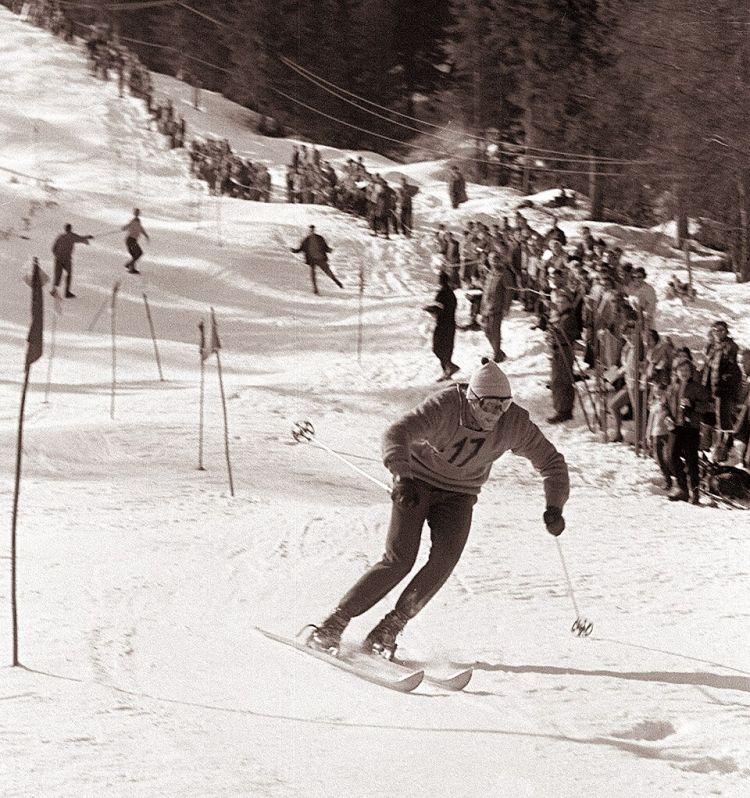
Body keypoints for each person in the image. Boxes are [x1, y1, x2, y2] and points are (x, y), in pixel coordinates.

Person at [307, 359, 570, 658]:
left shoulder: (514, 423)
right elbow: (396, 433)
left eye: (503, 405)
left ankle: (389, 629)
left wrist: (554, 506)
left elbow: (552, 462)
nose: (495, 414)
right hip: (416, 482)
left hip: (460, 493)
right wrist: (401, 475)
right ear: (472, 400)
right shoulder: (447, 405)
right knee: (400, 560)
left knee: (445, 559)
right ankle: (334, 623)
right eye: (488, 405)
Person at [664, 356, 711, 503]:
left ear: (691, 372)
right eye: (681, 370)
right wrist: (667, 417)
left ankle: (695, 492)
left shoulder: (697, 388)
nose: (684, 373)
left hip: (691, 428)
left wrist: (693, 404)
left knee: (691, 460)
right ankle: (683, 488)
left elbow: (707, 407)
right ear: (676, 371)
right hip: (675, 427)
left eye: (687, 370)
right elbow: (665, 405)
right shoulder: (672, 388)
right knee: (671, 456)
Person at [424, 271, 459, 381]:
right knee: (447, 349)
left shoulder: (442, 294)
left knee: (438, 348)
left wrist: (429, 309)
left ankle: (449, 367)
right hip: (450, 324)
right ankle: (447, 371)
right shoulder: (451, 294)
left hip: (442, 324)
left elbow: (439, 309)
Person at [291, 225, 343, 295]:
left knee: (328, 272)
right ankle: (315, 290)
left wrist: (329, 250)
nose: (311, 231)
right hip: (312, 260)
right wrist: (294, 250)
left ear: (314, 230)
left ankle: (338, 283)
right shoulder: (306, 240)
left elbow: (325, 247)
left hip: (320, 258)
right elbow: (301, 249)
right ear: (309, 231)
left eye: (312, 230)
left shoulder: (319, 238)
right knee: (313, 275)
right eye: (310, 230)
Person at [51, 223, 93, 298]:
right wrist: (88, 237)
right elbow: (80, 238)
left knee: (57, 275)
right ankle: (67, 292)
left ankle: (54, 291)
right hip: (66, 259)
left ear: (65, 229)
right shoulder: (72, 236)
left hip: (58, 258)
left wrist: (57, 255)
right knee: (69, 274)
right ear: (70, 229)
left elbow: (53, 248)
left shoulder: (60, 237)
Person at [122, 208, 150, 274]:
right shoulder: (133, 221)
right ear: (135, 213)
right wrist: (125, 227)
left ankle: (131, 268)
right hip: (130, 240)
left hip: (131, 240)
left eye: (138, 212)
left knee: (136, 254)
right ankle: (129, 265)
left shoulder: (137, 221)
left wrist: (146, 235)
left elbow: (141, 229)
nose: (137, 214)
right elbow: (126, 227)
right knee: (139, 253)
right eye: (136, 212)